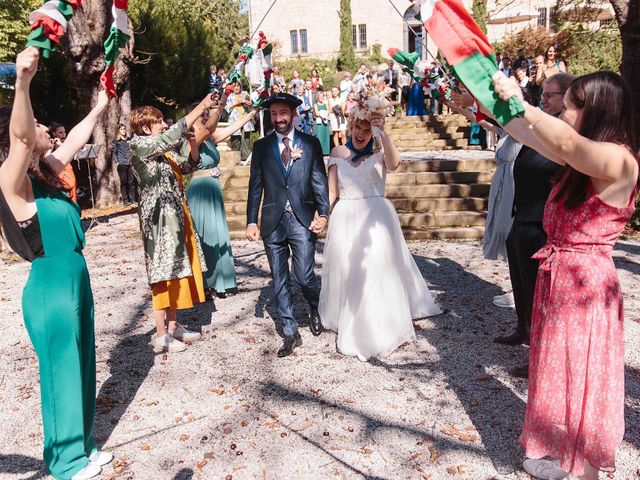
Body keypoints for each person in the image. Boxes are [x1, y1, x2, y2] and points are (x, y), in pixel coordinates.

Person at [493, 70, 638, 480]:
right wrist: (491, 96)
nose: (567, 112)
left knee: (582, 371)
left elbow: (565, 140)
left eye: (573, 104)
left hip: (585, 285)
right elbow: (527, 133)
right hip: (562, 277)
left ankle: (585, 464)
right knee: (558, 367)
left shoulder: (618, 157)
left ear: (597, 110)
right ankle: (557, 450)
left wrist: (524, 103)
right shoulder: (582, 158)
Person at [0, 47, 114, 480]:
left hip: (75, 276)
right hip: (48, 284)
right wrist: (23, 81)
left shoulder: (46, 173)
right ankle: (65, 464)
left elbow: (77, 136)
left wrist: (102, 105)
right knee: (61, 372)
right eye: (41, 123)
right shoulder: (13, 182)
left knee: (83, 365)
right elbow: (22, 139)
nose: (48, 128)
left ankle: (82, 447)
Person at [319, 95, 442, 361]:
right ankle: (352, 316)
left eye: (366, 129)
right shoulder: (337, 154)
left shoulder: (379, 153)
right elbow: (331, 192)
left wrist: (382, 132)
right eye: (357, 128)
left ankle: (380, 320)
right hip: (346, 217)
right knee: (349, 269)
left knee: (375, 267)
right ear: (350, 127)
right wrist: (323, 216)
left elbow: (395, 164)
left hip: (375, 217)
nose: (361, 134)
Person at [493, 74, 574, 368]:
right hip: (522, 212)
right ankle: (523, 328)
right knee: (520, 279)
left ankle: (539, 355)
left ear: (567, 96)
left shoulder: (563, 133)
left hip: (542, 221)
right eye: (545, 93)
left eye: (551, 95)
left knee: (540, 290)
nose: (544, 98)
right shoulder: (541, 127)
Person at [129, 94, 217, 353]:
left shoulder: (162, 152)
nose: (164, 125)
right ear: (146, 128)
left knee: (177, 269)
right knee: (161, 274)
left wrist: (193, 145)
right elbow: (174, 132)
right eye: (158, 123)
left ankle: (173, 326)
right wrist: (202, 105)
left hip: (176, 217)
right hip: (158, 221)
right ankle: (160, 335)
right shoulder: (139, 146)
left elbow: (189, 166)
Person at [245, 92, 330, 358]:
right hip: (272, 221)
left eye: (283, 113)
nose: (278, 119)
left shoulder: (310, 143)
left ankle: (315, 305)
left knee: (304, 275)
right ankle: (291, 332)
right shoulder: (261, 147)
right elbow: (255, 185)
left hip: (302, 218)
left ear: (293, 114)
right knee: (279, 278)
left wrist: (323, 214)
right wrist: (250, 220)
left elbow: (319, 181)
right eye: (273, 114)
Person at [186, 100, 257, 297]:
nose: (207, 116)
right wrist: (223, 103)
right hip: (200, 190)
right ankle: (207, 282)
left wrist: (251, 115)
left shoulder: (209, 138)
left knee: (218, 234)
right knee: (206, 235)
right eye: (203, 113)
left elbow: (231, 128)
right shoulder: (194, 137)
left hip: (213, 188)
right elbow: (209, 129)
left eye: (208, 113)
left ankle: (223, 280)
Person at [225, 82, 254, 161]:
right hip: (235, 121)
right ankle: (236, 159)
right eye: (235, 86)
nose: (237, 88)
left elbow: (252, 104)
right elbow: (227, 108)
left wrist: (244, 101)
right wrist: (236, 102)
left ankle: (246, 159)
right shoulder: (229, 96)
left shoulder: (245, 94)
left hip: (245, 121)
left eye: (238, 86)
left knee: (246, 140)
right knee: (236, 141)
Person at [50, 122, 77, 202]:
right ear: (54, 133)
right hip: (59, 174)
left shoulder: (66, 143)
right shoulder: (50, 144)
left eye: (64, 132)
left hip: (69, 172)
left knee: (73, 195)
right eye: (60, 132)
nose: (63, 135)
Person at [112, 124, 136, 205]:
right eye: (121, 129)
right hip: (122, 164)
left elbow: (133, 150)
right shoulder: (116, 141)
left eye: (124, 129)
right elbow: (114, 153)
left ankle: (132, 200)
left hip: (130, 163)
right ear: (118, 131)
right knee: (124, 182)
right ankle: (126, 201)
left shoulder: (129, 139)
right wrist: (117, 162)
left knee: (131, 182)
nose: (123, 131)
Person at [313, 90, 331, 155]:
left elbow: (329, 110)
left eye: (322, 96)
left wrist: (325, 113)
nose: (321, 98)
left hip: (326, 122)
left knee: (326, 136)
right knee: (320, 136)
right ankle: (320, 152)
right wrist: (323, 114)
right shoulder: (316, 105)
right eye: (320, 96)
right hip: (320, 123)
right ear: (317, 97)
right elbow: (317, 113)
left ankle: (326, 152)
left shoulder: (325, 104)